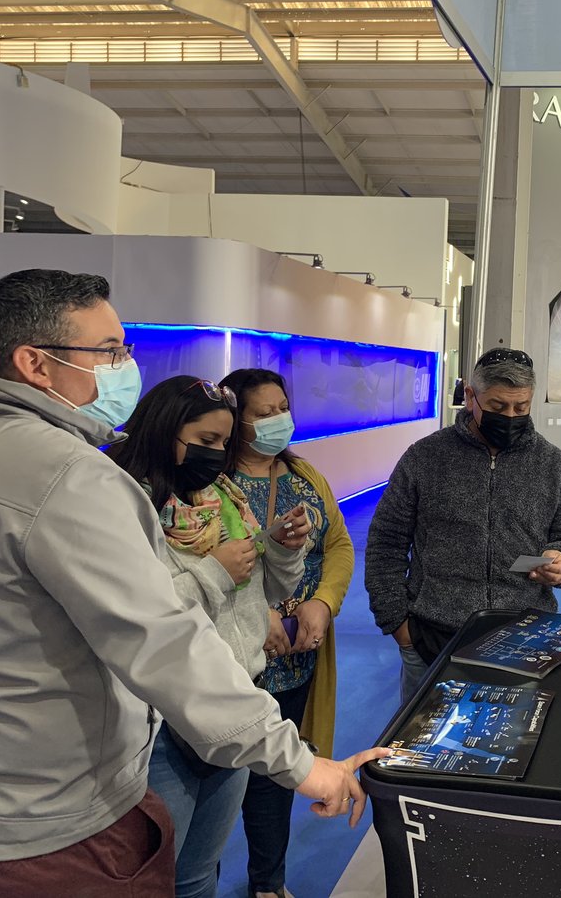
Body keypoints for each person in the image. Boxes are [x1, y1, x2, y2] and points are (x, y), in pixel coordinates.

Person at [0, 269, 387, 897]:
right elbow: (165, 643)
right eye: (108, 351)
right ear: (35, 363)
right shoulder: (71, 477)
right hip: (53, 828)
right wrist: (301, 764)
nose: (124, 365)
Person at [107, 374, 309, 898]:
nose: (218, 455)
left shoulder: (226, 500)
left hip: (234, 697)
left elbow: (262, 591)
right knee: (155, 876)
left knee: (199, 871)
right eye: (205, 442)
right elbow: (137, 616)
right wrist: (214, 571)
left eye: (223, 443)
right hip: (161, 723)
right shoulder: (129, 508)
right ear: (165, 431)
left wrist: (281, 549)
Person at [366, 347, 561, 704]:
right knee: (423, 755)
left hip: (526, 640)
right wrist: (399, 625)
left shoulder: (554, 466)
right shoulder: (425, 458)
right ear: (471, 397)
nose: (510, 416)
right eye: (497, 406)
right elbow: (386, 541)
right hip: (433, 640)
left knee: (514, 751)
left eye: (520, 407)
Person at [221, 367, 355, 898]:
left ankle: (267, 884)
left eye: (283, 407)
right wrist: (258, 611)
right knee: (217, 785)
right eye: (264, 413)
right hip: (233, 665)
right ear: (235, 423)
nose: (280, 420)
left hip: (299, 659)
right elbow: (197, 563)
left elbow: (339, 546)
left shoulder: (305, 476)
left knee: (278, 778)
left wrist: (323, 603)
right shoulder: (210, 484)